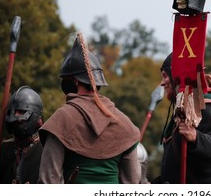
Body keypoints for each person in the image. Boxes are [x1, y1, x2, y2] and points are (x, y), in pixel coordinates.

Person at [37, 35, 141, 184]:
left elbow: (48, 181)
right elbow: (132, 183)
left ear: (75, 80)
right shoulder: (123, 123)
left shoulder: (61, 120)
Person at [153, 53, 211, 183]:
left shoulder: (206, 104)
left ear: (177, 76)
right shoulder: (181, 110)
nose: (162, 83)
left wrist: (195, 136)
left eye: (165, 76)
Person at [0, 86, 44, 184]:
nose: (15, 116)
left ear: (38, 119)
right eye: (12, 111)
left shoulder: (46, 150)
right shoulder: (0, 152)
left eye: (21, 111)